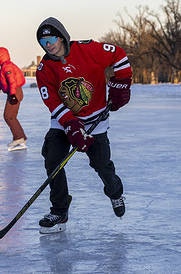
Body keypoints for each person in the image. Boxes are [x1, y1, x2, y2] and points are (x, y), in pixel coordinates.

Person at [35, 17, 133, 234]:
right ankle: (60, 210)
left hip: (96, 119)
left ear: (61, 37)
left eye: (51, 39)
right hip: (65, 121)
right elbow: (53, 102)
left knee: (102, 166)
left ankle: (115, 192)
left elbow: (119, 54)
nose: (48, 45)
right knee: (53, 159)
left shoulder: (88, 50)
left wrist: (122, 82)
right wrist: (71, 126)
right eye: (43, 42)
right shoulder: (44, 70)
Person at [0, 47, 27, 151]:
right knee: (11, 116)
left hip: (15, 92)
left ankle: (20, 139)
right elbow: (3, 83)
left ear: (0, 56)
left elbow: (12, 81)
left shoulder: (7, 66)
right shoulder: (5, 65)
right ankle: (19, 138)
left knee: (9, 116)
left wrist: (12, 95)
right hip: (14, 91)